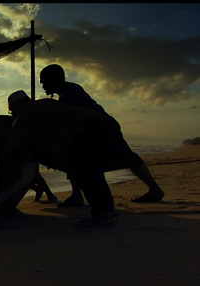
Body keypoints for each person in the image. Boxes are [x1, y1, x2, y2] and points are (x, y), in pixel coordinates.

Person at [40, 64, 165, 206]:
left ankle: (154, 189)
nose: (43, 86)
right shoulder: (68, 92)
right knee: (76, 157)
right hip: (100, 127)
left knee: (126, 157)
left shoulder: (69, 95)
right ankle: (76, 195)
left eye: (44, 82)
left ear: (53, 80)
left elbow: (75, 121)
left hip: (104, 128)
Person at [0, 90, 117, 228]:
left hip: (80, 134)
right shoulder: (45, 103)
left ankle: (101, 215)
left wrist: (4, 169)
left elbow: (12, 148)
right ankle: (108, 210)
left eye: (11, 111)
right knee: (93, 173)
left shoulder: (24, 116)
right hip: (99, 125)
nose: (12, 115)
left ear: (16, 107)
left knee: (86, 173)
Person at [0, 107, 58, 203]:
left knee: (26, 174)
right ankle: (43, 192)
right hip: (23, 154)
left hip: (22, 155)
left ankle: (50, 195)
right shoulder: (1, 123)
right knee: (31, 175)